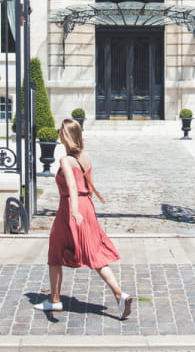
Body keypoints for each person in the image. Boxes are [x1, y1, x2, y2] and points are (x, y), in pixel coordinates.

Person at [34, 118, 132, 318]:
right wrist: (83, 209)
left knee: (55, 252)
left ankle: (54, 301)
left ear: (65, 136)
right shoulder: (85, 157)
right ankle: (119, 294)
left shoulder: (65, 160)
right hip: (88, 205)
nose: (59, 134)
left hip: (70, 206)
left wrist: (74, 210)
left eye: (61, 131)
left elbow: (71, 185)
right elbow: (87, 184)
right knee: (94, 253)